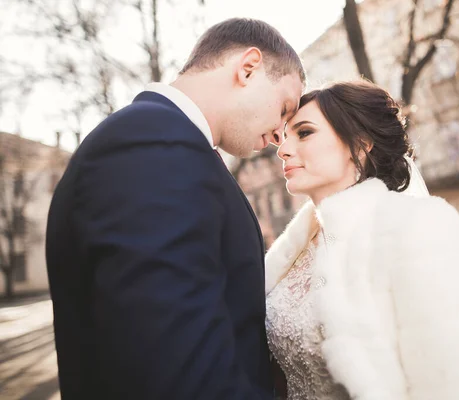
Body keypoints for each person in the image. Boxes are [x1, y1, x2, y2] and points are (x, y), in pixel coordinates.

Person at [45, 18, 304, 400]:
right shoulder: (150, 143)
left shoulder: (169, 144)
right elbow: (183, 373)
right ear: (248, 68)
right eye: (284, 108)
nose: (281, 134)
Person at [265, 81, 459, 399]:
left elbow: (456, 382)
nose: (283, 150)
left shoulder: (416, 228)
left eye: (304, 133)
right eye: (284, 137)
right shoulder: (293, 254)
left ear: (360, 143)